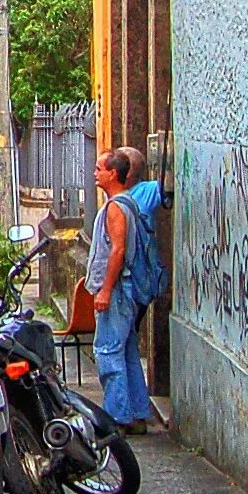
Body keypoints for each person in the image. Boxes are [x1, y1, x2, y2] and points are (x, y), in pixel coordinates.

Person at [86, 146, 164, 431]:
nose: (95, 173)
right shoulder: (127, 203)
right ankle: (138, 413)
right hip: (125, 290)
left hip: (118, 291)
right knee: (128, 350)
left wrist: (105, 290)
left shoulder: (116, 208)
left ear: (113, 174)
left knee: (108, 351)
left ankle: (117, 418)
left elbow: (117, 251)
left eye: (99, 169)